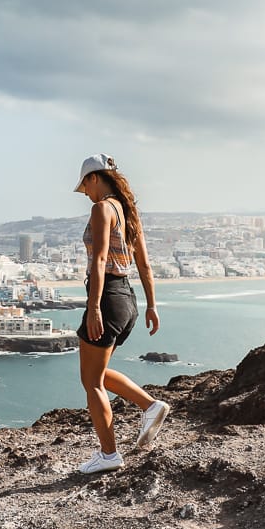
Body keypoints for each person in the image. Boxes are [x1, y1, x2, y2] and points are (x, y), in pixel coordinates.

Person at [73, 153, 170, 474]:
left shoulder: (101, 209)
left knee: (91, 383)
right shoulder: (130, 213)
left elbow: (100, 260)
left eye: (84, 186)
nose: (85, 193)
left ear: (94, 178)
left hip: (107, 299)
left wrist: (92, 308)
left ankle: (109, 453)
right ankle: (150, 405)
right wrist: (152, 306)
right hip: (126, 299)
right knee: (97, 374)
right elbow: (144, 265)